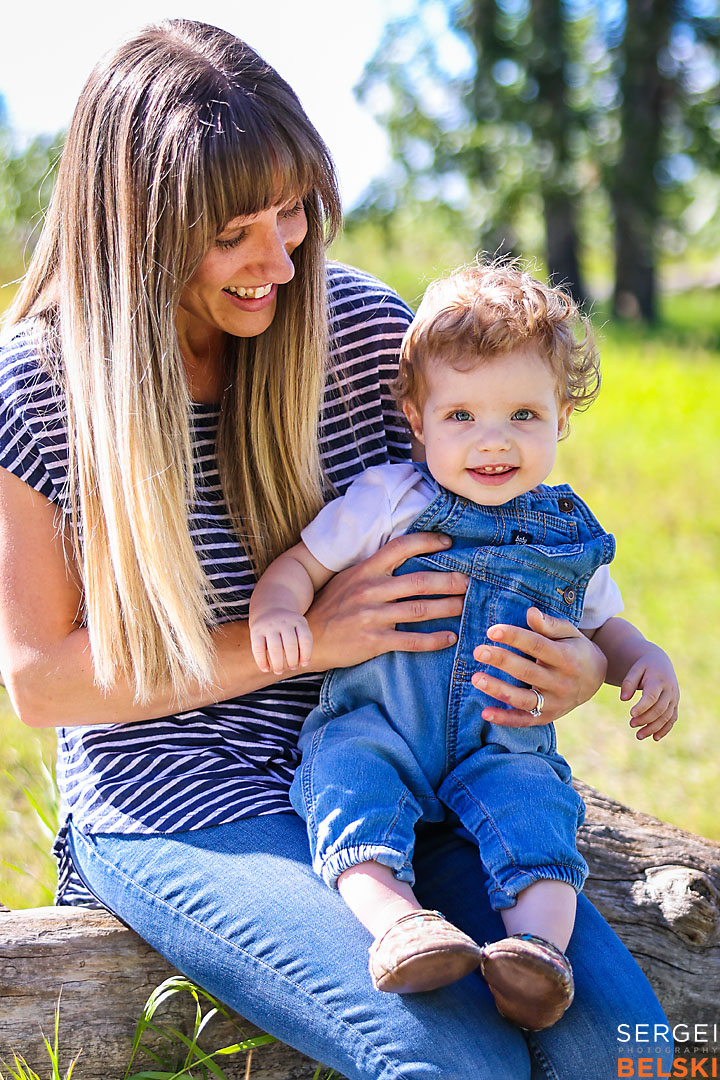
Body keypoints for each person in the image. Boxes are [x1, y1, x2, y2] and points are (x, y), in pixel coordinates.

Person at [0, 19, 672, 1080]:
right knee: (454, 1063)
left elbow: (494, 530)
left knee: (623, 1048)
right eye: (234, 233)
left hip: (414, 764)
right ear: (139, 227)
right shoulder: (41, 391)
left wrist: (585, 665)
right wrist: (305, 638)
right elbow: (40, 682)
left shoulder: (362, 332)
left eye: (294, 209)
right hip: (182, 801)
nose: (281, 257)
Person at [249, 261, 679, 1031]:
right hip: (381, 722)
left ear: (561, 419)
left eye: (522, 415)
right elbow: (302, 564)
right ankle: (401, 928)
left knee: (538, 811)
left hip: (500, 738)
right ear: (417, 420)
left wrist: (642, 660)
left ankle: (537, 956)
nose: (494, 442)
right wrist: (281, 612)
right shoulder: (389, 500)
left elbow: (602, 626)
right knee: (350, 790)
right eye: (461, 418)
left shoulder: (566, 531)